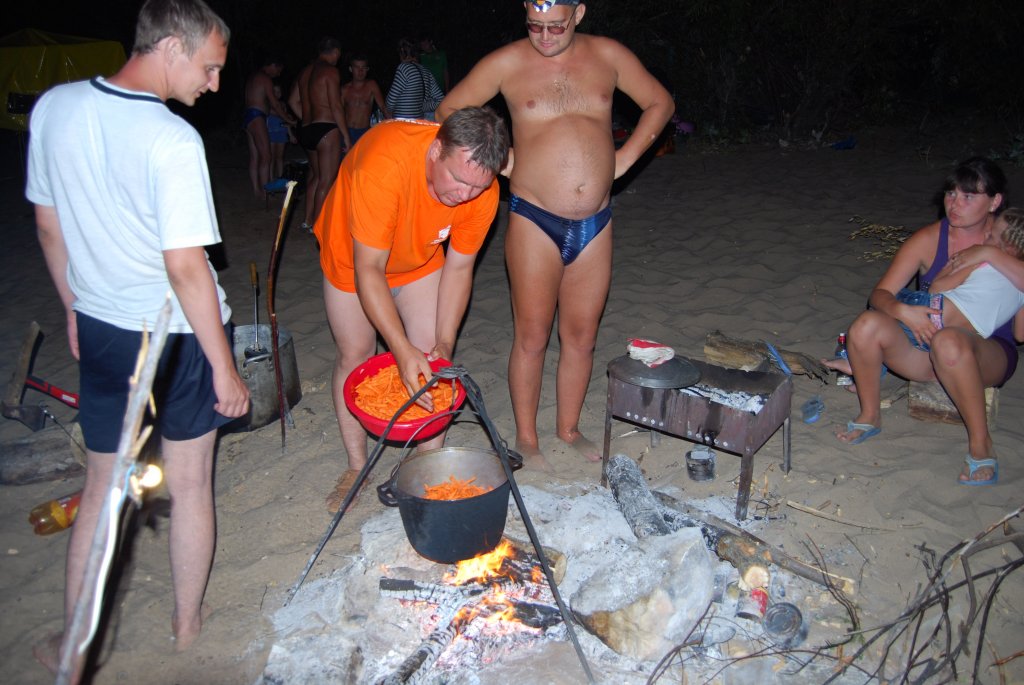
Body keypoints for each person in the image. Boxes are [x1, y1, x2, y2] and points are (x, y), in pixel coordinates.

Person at [25, 0, 249, 679]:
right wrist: (223, 367)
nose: (214, 84)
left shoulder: (54, 108)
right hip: (178, 336)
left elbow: (48, 226)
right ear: (172, 47)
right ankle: (186, 626)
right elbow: (186, 267)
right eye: (209, 67)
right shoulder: (172, 139)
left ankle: (73, 649)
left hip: (104, 329)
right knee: (191, 480)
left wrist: (74, 307)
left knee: (100, 488)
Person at [436, 0, 674, 468]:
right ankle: (527, 438)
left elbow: (660, 103)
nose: (544, 37)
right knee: (532, 336)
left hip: (596, 222)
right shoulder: (506, 63)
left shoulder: (608, 55)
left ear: (578, 13)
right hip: (534, 218)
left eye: (556, 27)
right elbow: (448, 109)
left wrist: (625, 160)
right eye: (535, 26)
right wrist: (502, 163)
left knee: (582, 336)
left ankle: (569, 428)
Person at [314, 107, 509, 511]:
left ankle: (427, 462)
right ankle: (356, 466)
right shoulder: (383, 166)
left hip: (419, 257)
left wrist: (445, 341)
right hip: (353, 259)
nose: (465, 195)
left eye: (477, 187)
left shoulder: (482, 190)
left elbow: (459, 268)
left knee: (433, 356)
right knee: (355, 353)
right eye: (458, 180)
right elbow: (369, 269)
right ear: (436, 151)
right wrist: (399, 347)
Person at [824, 157, 1021, 485]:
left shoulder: (1011, 238)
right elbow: (880, 294)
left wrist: (989, 254)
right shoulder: (929, 239)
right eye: (951, 193)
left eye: (968, 196)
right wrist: (903, 312)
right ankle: (870, 415)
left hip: (988, 353)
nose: (954, 203)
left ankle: (981, 444)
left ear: (994, 201)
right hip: (927, 343)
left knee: (949, 342)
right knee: (866, 325)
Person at [288, 37, 352, 231]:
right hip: (326, 130)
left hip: (306, 130)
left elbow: (292, 101)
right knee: (327, 180)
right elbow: (336, 106)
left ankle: (308, 220)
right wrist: (346, 136)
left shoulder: (305, 72)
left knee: (315, 177)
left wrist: (307, 119)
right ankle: (319, 229)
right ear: (335, 52)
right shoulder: (330, 71)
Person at [243, 56, 295, 198]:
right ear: (272, 65)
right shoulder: (265, 78)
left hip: (248, 116)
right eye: (278, 70)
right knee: (266, 156)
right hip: (256, 116)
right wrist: (287, 120)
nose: (278, 73)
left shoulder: (253, 77)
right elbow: (275, 104)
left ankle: (257, 190)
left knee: (255, 156)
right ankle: (266, 191)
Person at [386, 38, 445, 120]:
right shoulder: (426, 71)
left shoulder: (404, 68)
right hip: (417, 122)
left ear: (402, 52)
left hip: (402, 123)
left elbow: (390, 103)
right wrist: (421, 106)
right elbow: (441, 100)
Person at [340, 54, 389, 148]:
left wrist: (393, 124)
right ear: (351, 69)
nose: (360, 71)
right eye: (357, 67)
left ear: (367, 69)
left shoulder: (371, 85)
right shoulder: (344, 89)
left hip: (364, 131)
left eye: (363, 67)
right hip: (347, 131)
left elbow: (383, 107)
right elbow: (339, 113)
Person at [265, 82, 294, 181]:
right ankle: (270, 178)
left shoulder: (282, 104)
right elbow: (279, 114)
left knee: (280, 157)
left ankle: (281, 177)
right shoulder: (267, 104)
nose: (277, 94)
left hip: (281, 132)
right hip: (271, 133)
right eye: (274, 91)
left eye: (279, 91)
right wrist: (285, 116)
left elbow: (285, 121)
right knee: (271, 157)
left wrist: (291, 135)